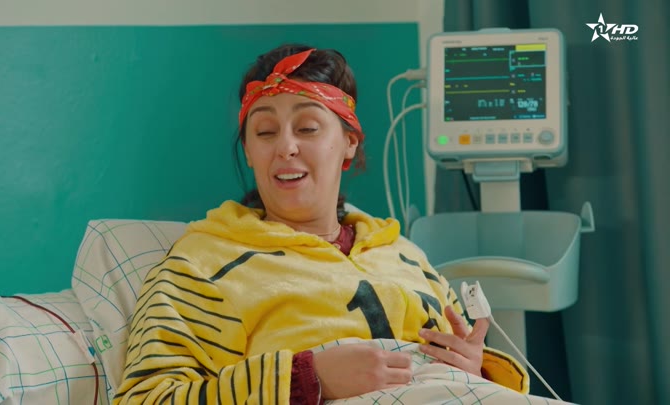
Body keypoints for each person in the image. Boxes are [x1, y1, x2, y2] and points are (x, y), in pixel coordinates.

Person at [113, 44, 529, 404]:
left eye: (308, 128)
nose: (286, 147)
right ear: (249, 152)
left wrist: (475, 369)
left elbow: (469, 373)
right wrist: (308, 379)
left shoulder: (406, 255)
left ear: (349, 142)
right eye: (265, 132)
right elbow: (147, 397)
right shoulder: (203, 264)